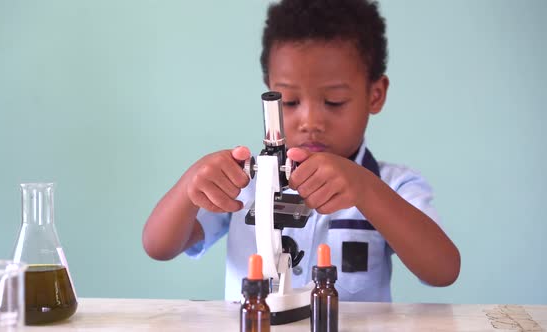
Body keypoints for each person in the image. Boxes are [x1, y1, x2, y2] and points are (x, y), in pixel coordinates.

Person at [142, 0, 460, 302]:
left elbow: (442, 271)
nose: (310, 122)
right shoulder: (242, 181)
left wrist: (366, 189)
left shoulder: (393, 184)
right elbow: (159, 247)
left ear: (374, 95)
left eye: (334, 102)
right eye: (290, 102)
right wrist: (189, 186)